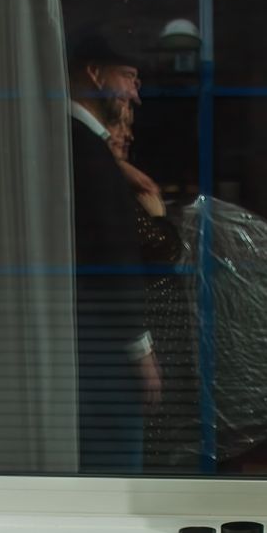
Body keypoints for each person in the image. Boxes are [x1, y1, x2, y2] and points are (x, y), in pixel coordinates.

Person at [67, 30, 163, 471]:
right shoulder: (86, 150)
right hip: (103, 344)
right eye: (129, 78)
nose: (135, 95)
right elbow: (112, 253)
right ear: (94, 73)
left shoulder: (85, 146)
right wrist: (140, 350)